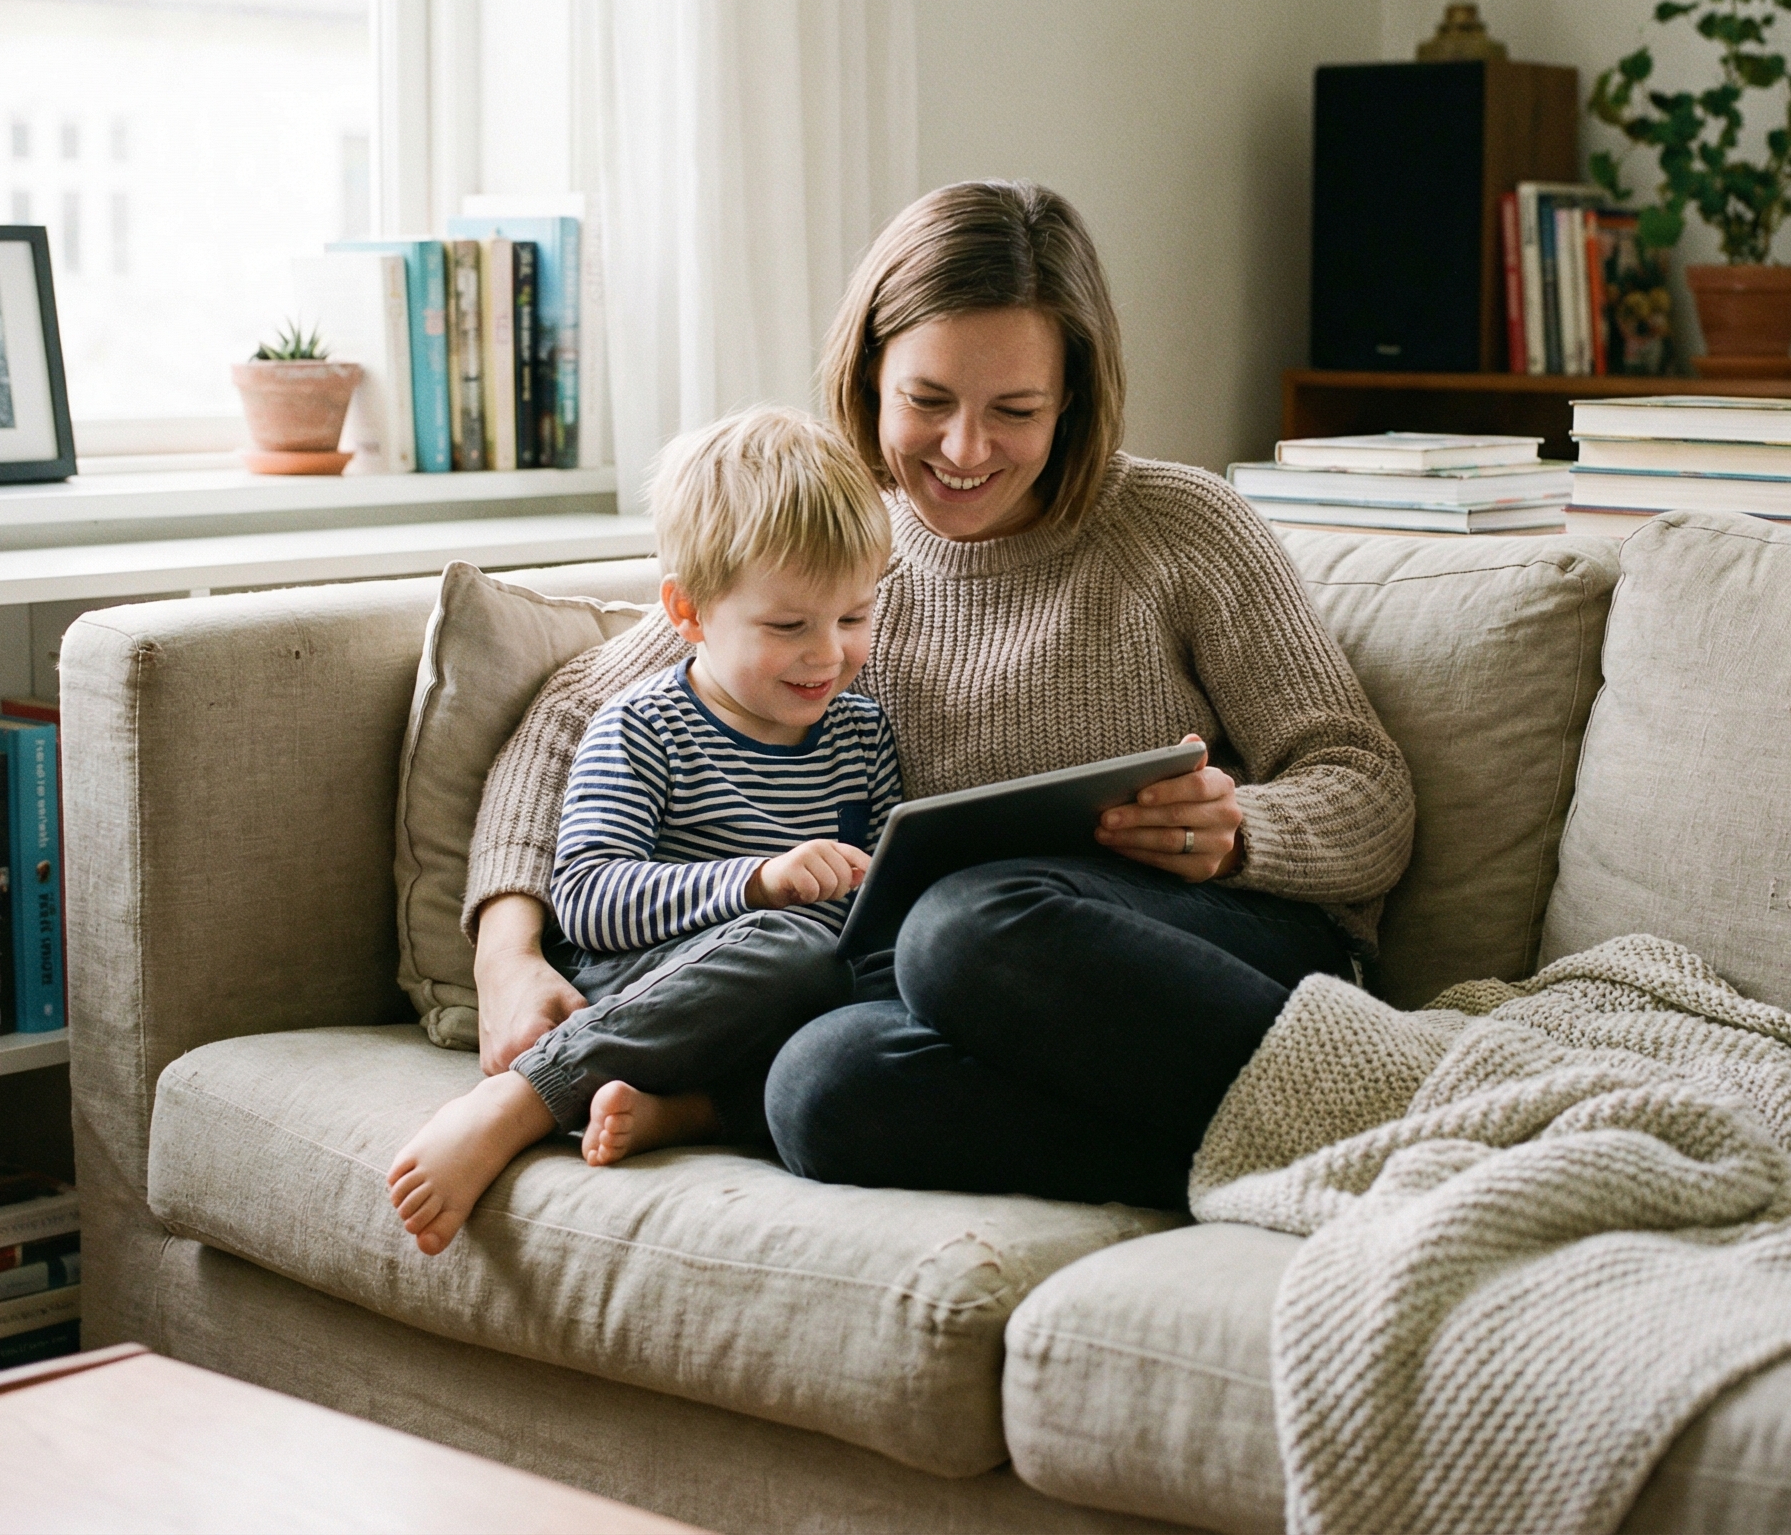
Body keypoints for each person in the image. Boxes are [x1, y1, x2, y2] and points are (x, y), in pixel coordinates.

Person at [463, 180, 1415, 1212]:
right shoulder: (834, 562)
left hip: (1209, 951)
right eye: (927, 402)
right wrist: (506, 953)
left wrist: (1239, 831)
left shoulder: (1181, 528)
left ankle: (1352, 1097)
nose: (965, 451)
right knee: (815, 1083)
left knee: (963, 919)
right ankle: (1276, 1156)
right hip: (982, 996)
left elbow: (1366, 788)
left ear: (1074, 400)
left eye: (1016, 410)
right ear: (870, 376)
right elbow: (569, 717)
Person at [387, 407, 901, 1255]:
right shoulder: (644, 727)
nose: (829, 655)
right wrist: (756, 881)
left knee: (878, 995)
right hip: (658, 975)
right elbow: (586, 900)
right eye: (789, 626)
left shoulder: (862, 733)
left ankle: (687, 1112)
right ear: (689, 612)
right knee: (790, 947)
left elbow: (875, 893)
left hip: (796, 991)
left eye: (853, 618)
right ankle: (521, 1097)